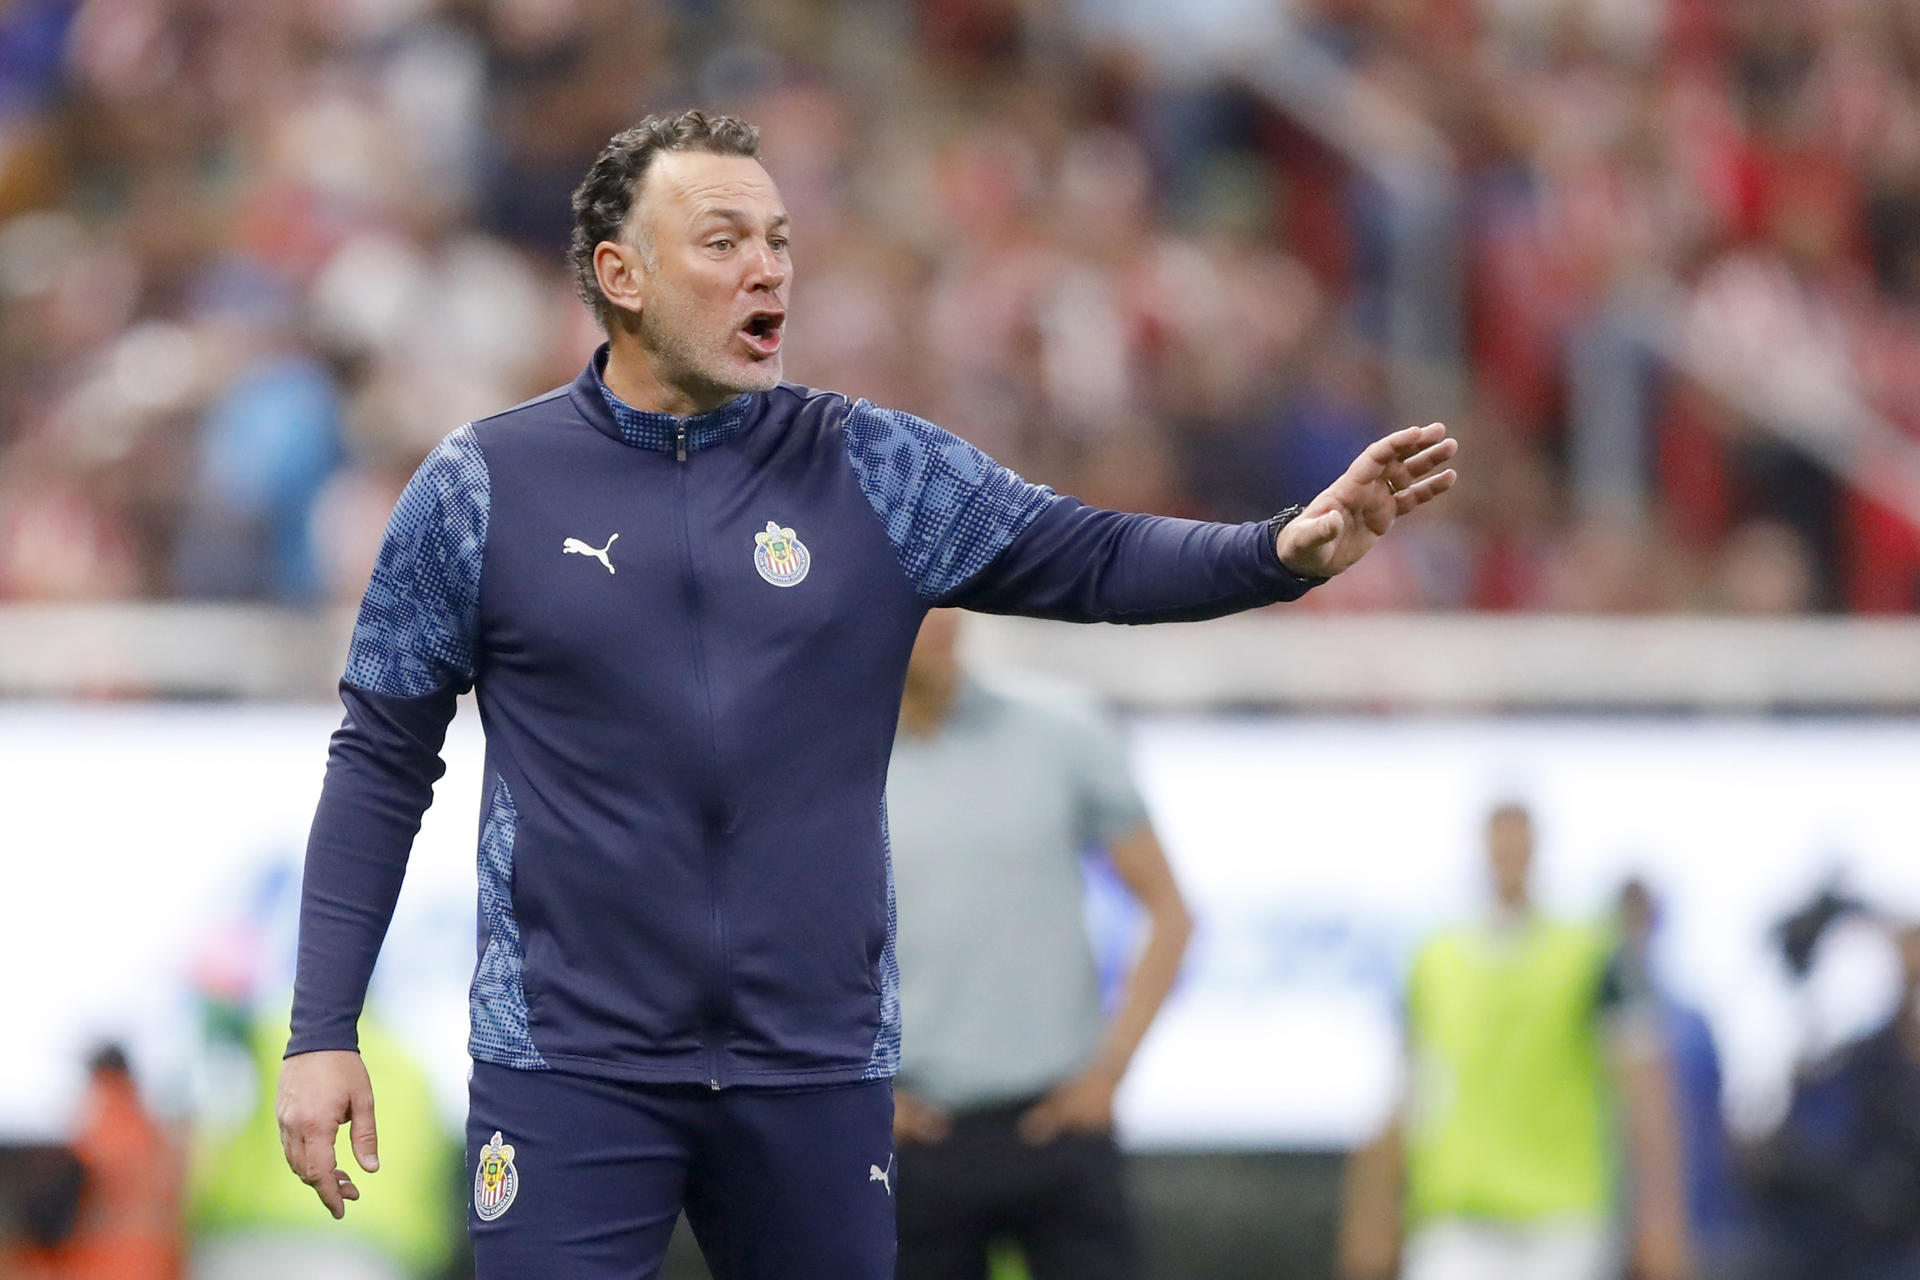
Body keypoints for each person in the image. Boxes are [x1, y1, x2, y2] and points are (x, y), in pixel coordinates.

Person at [275, 108, 1460, 1280]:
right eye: (725, 240)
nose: (769, 269)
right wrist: (324, 1029)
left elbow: (1093, 555)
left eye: (780, 241)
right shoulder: (484, 486)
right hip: (567, 1065)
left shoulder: (874, 469)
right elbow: (381, 759)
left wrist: (1276, 550)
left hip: (818, 1068)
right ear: (620, 275)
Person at [887, 609, 1189, 1280]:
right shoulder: (830, 758)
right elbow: (786, 945)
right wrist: (864, 1091)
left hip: (1059, 1125)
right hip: (912, 1134)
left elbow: (1170, 910)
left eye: (944, 592)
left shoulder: (1061, 730)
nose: (935, 616)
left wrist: (1109, 1070)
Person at [1338, 804, 1691, 1280]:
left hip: (1561, 1220)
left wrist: (1661, 1216)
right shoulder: (1436, 961)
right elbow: (1406, 1092)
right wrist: (1374, 1208)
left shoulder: (1588, 955)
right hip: (1456, 1216)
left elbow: (1644, 1090)